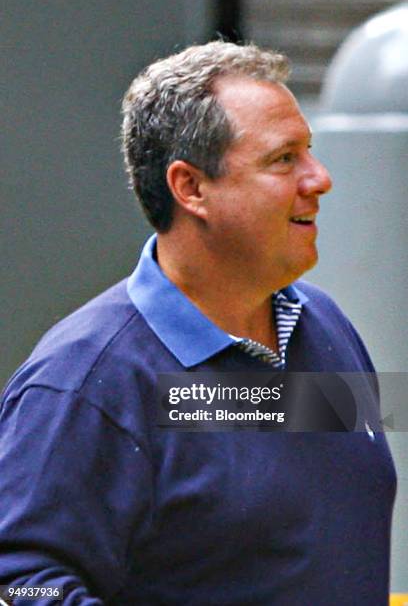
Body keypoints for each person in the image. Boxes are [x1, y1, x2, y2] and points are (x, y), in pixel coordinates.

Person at [0, 41, 396, 605]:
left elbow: (302, 515)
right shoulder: (86, 382)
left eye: (309, 152)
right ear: (190, 188)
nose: (320, 178)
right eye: (283, 159)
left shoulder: (325, 329)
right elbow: (19, 583)